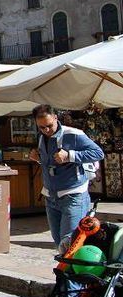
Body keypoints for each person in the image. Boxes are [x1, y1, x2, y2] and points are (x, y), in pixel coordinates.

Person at [29, 104, 104, 247]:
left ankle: (75, 269)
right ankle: (67, 269)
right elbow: (51, 163)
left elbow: (98, 153)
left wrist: (70, 155)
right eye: (41, 127)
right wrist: (38, 158)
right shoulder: (41, 137)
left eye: (49, 126)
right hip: (51, 197)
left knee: (70, 242)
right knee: (59, 243)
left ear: (56, 118)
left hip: (73, 196)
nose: (46, 130)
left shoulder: (74, 134)